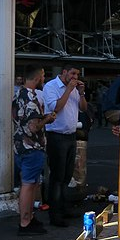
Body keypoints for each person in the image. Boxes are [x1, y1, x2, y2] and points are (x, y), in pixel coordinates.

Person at [13, 66, 56, 235]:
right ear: (38, 78)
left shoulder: (18, 94)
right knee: (28, 185)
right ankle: (25, 222)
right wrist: (47, 118)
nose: (44, 79)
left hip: (19, 145)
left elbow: (15, 116)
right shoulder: (31, 98)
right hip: (32, 147)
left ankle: (29, 218)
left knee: (30, 183)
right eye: (43, 76)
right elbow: (34, 127)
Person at [43, 65, 87, 227]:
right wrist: (68, 90)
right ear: (64, 73)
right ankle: (55, 214)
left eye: (77, 74)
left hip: (70, 135)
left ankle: (63, 207)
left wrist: (81, 93)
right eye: (73, 73)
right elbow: (56, 107)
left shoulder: (75, 89)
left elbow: (83, 108)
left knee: (67, 176)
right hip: (56, 135)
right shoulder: (51, 87)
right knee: (57, 176)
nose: (75, 77)